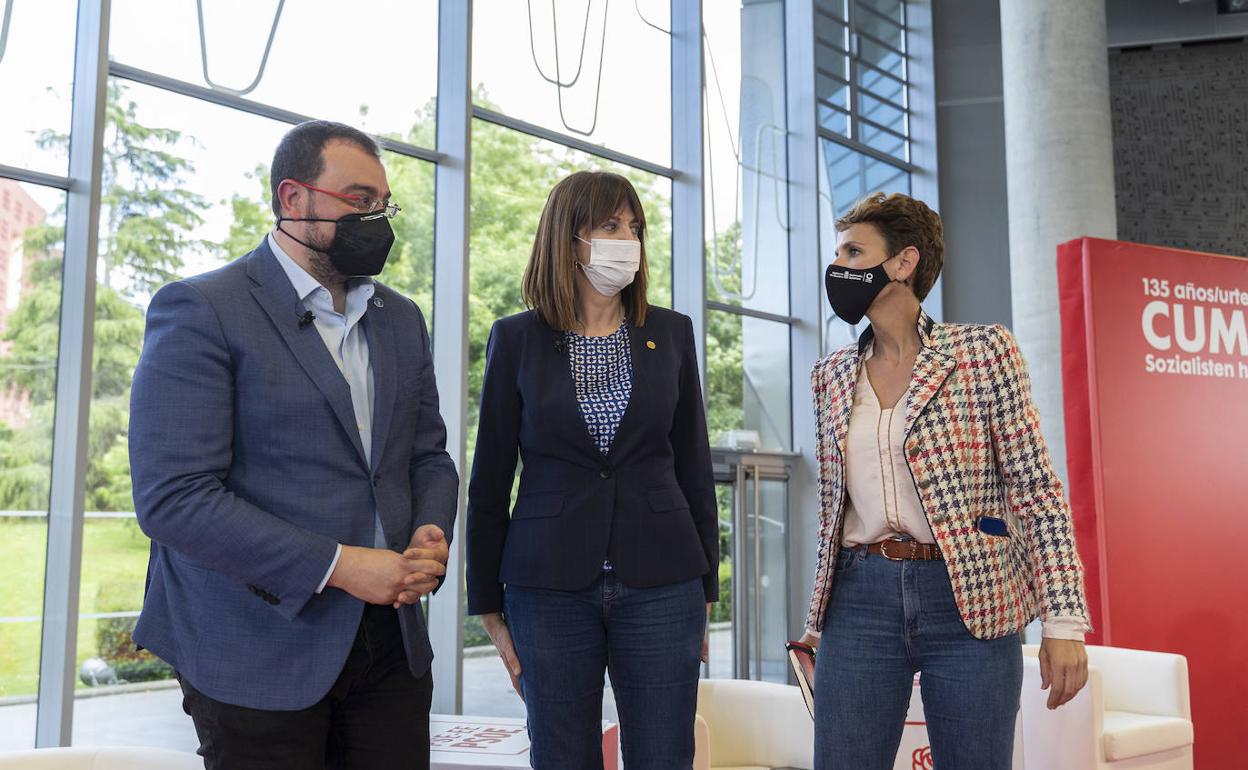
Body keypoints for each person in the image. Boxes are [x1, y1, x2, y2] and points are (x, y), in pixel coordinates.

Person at [129, 120, 458, 770]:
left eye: (383, 204)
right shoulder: (202, 308)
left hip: (390, 648)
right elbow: (174, 500)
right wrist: (342, 565)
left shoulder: (401, 319)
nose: (375, 218)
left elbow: (427, 456)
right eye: (358, 200)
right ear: (292, 197)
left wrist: (429, 529)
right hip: (252, 646)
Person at [797, 192, 1091, 769]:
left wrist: (1063, 621)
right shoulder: (829, 374)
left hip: (968, 598)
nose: (838, 267)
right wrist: (818, 617)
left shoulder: (983, 352)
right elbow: (833, 509)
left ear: (903, 263)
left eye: (853, 252)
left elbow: (1037, 491)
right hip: (859, 599)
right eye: (838, 254)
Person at [466, 171, 719, 769]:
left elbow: (694, 465)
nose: (627, 240)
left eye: (634, 228)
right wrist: (487, 605)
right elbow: (490, 479)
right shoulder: (516, 338)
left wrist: (705, 588)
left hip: (664, 580)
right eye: (610, 226)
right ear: (569, 237)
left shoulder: (671, 333)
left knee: (664, 756)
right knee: (561, 756)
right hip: (547, 585)